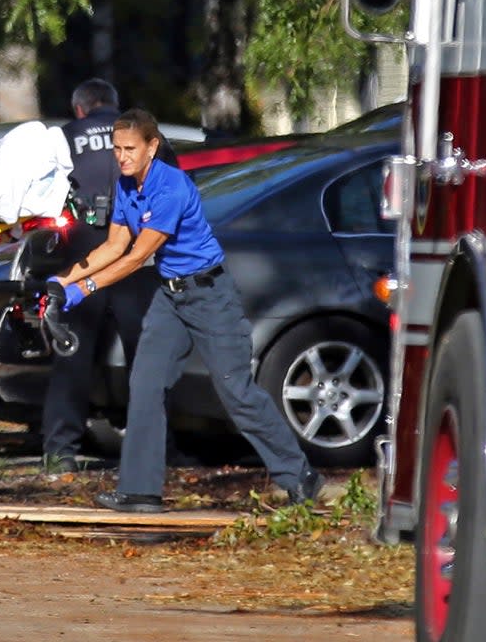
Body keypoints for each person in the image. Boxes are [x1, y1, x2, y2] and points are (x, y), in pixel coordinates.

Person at [50, 108, 323, 513]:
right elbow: (112, 247)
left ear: (151, 147)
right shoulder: (126, 186)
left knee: (237, 393)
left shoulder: (171, 187)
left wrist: (85, 288)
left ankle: (300, 476)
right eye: (116, 149)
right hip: (170, 297)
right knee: (144, 383)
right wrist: (62, 281)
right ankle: (141, 491)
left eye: (129, 149)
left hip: (210, 295)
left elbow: (137, 256)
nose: (121, 157)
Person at [41, 80, 176, 473]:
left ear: (79, 109)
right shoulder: (147, 137)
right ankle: (157, 452)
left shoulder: (64, 139)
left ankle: (59, 453)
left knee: (73, 357)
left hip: (83, 257)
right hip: (138, 260)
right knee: (147, 361)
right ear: (116, 106)